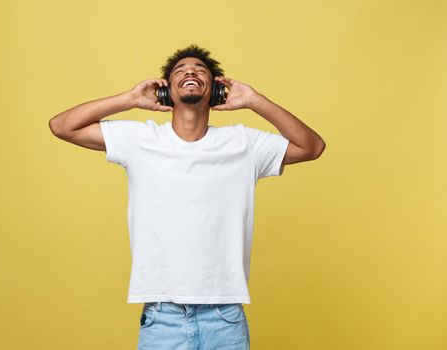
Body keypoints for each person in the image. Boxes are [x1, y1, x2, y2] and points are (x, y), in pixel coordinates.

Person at [48, 44, 325, 350]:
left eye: (200, 70)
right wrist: (129, 99)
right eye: (180, 71)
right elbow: (62, 126)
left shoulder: (244, 143)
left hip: (225, 318)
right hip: (161, 317)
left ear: (218, 91)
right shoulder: (140, 140)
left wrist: (255, 101)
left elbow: (311, 147)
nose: (190, 71)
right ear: (166, 92)